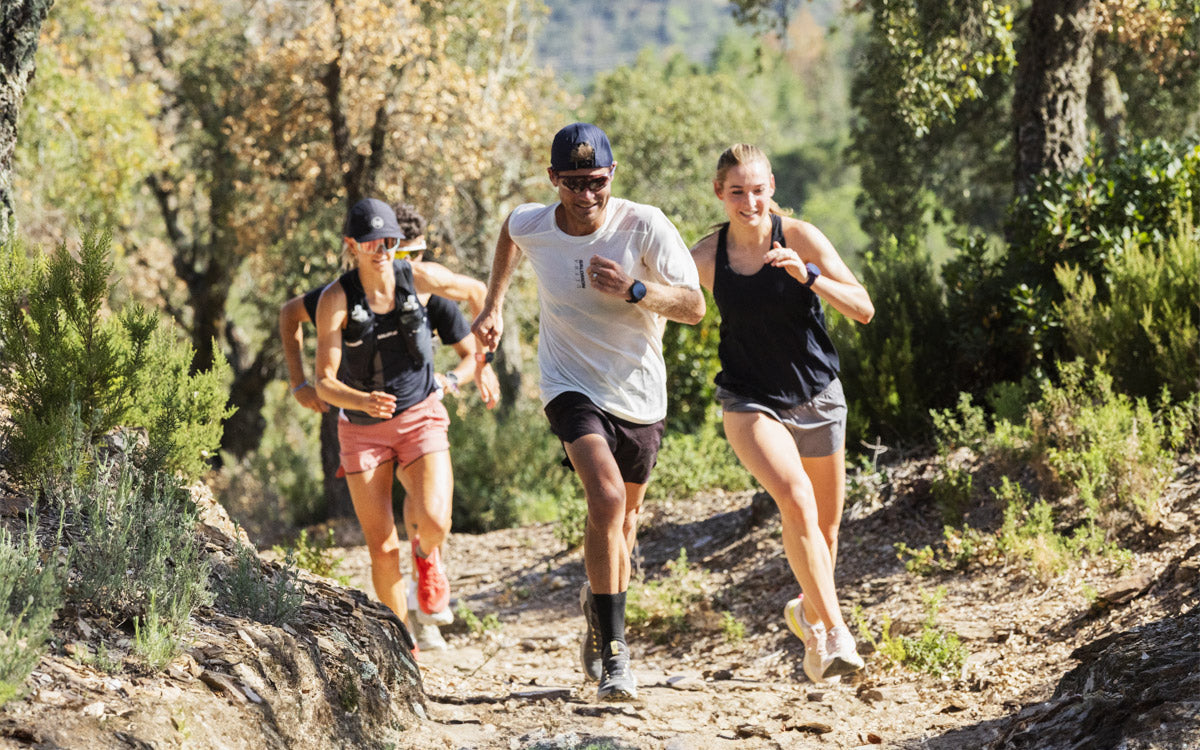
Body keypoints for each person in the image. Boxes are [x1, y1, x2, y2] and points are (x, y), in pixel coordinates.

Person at [472, 122, 705, 701]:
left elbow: (697, 307)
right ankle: (617, 657)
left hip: (639, 392)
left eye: (596, 181)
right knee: (605, 499)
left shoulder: (643, 224)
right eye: (572, 182)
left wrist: (636, 291)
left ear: (612, 176)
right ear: (553, 179)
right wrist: (493, 305)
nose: (585, 195)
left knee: (623, 527)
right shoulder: (535, 224)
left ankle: (596, 608)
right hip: (568, 384)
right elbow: (508, 232)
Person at [690, 143, 874, 683]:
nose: (750, 202)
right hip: (749, 400)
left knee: (826, 529)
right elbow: (662, 296)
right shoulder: (705, 256)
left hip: (817, 395)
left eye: (759, 189)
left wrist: (808, 276)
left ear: (773, 187)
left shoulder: (800, 236)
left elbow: (862, 308)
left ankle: (806, 617)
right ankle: (835, 633)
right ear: (720, 193)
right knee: (795, 499)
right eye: (738, 191)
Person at [280, 205, 499, 652]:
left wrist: (484, 361)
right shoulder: (335, 299)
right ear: (352, 247)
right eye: (371, 244)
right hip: (361, 430)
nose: (381, 252)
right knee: (381, 548)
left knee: (436, 520)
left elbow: (478, 291)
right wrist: (353, 399)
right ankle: (405, 647)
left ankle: (426, 557)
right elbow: (325, 380)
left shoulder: (419, 280)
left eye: (389, 243)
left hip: (420, 416)